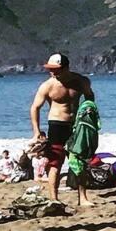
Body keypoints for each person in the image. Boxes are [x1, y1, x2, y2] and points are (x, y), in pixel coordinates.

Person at [30, 52, 95, 202]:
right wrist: (36, 131)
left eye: (55, 69)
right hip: (57, 125)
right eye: (50, 69)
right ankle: (54, 199)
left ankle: (83, 198)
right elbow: (35, 108)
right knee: (55, 162)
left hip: (76, 125)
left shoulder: (81, 81)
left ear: (65, 68)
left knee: (79, 162)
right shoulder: (47, 86)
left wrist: (89, 115)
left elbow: (90, 96)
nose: (52, 72)